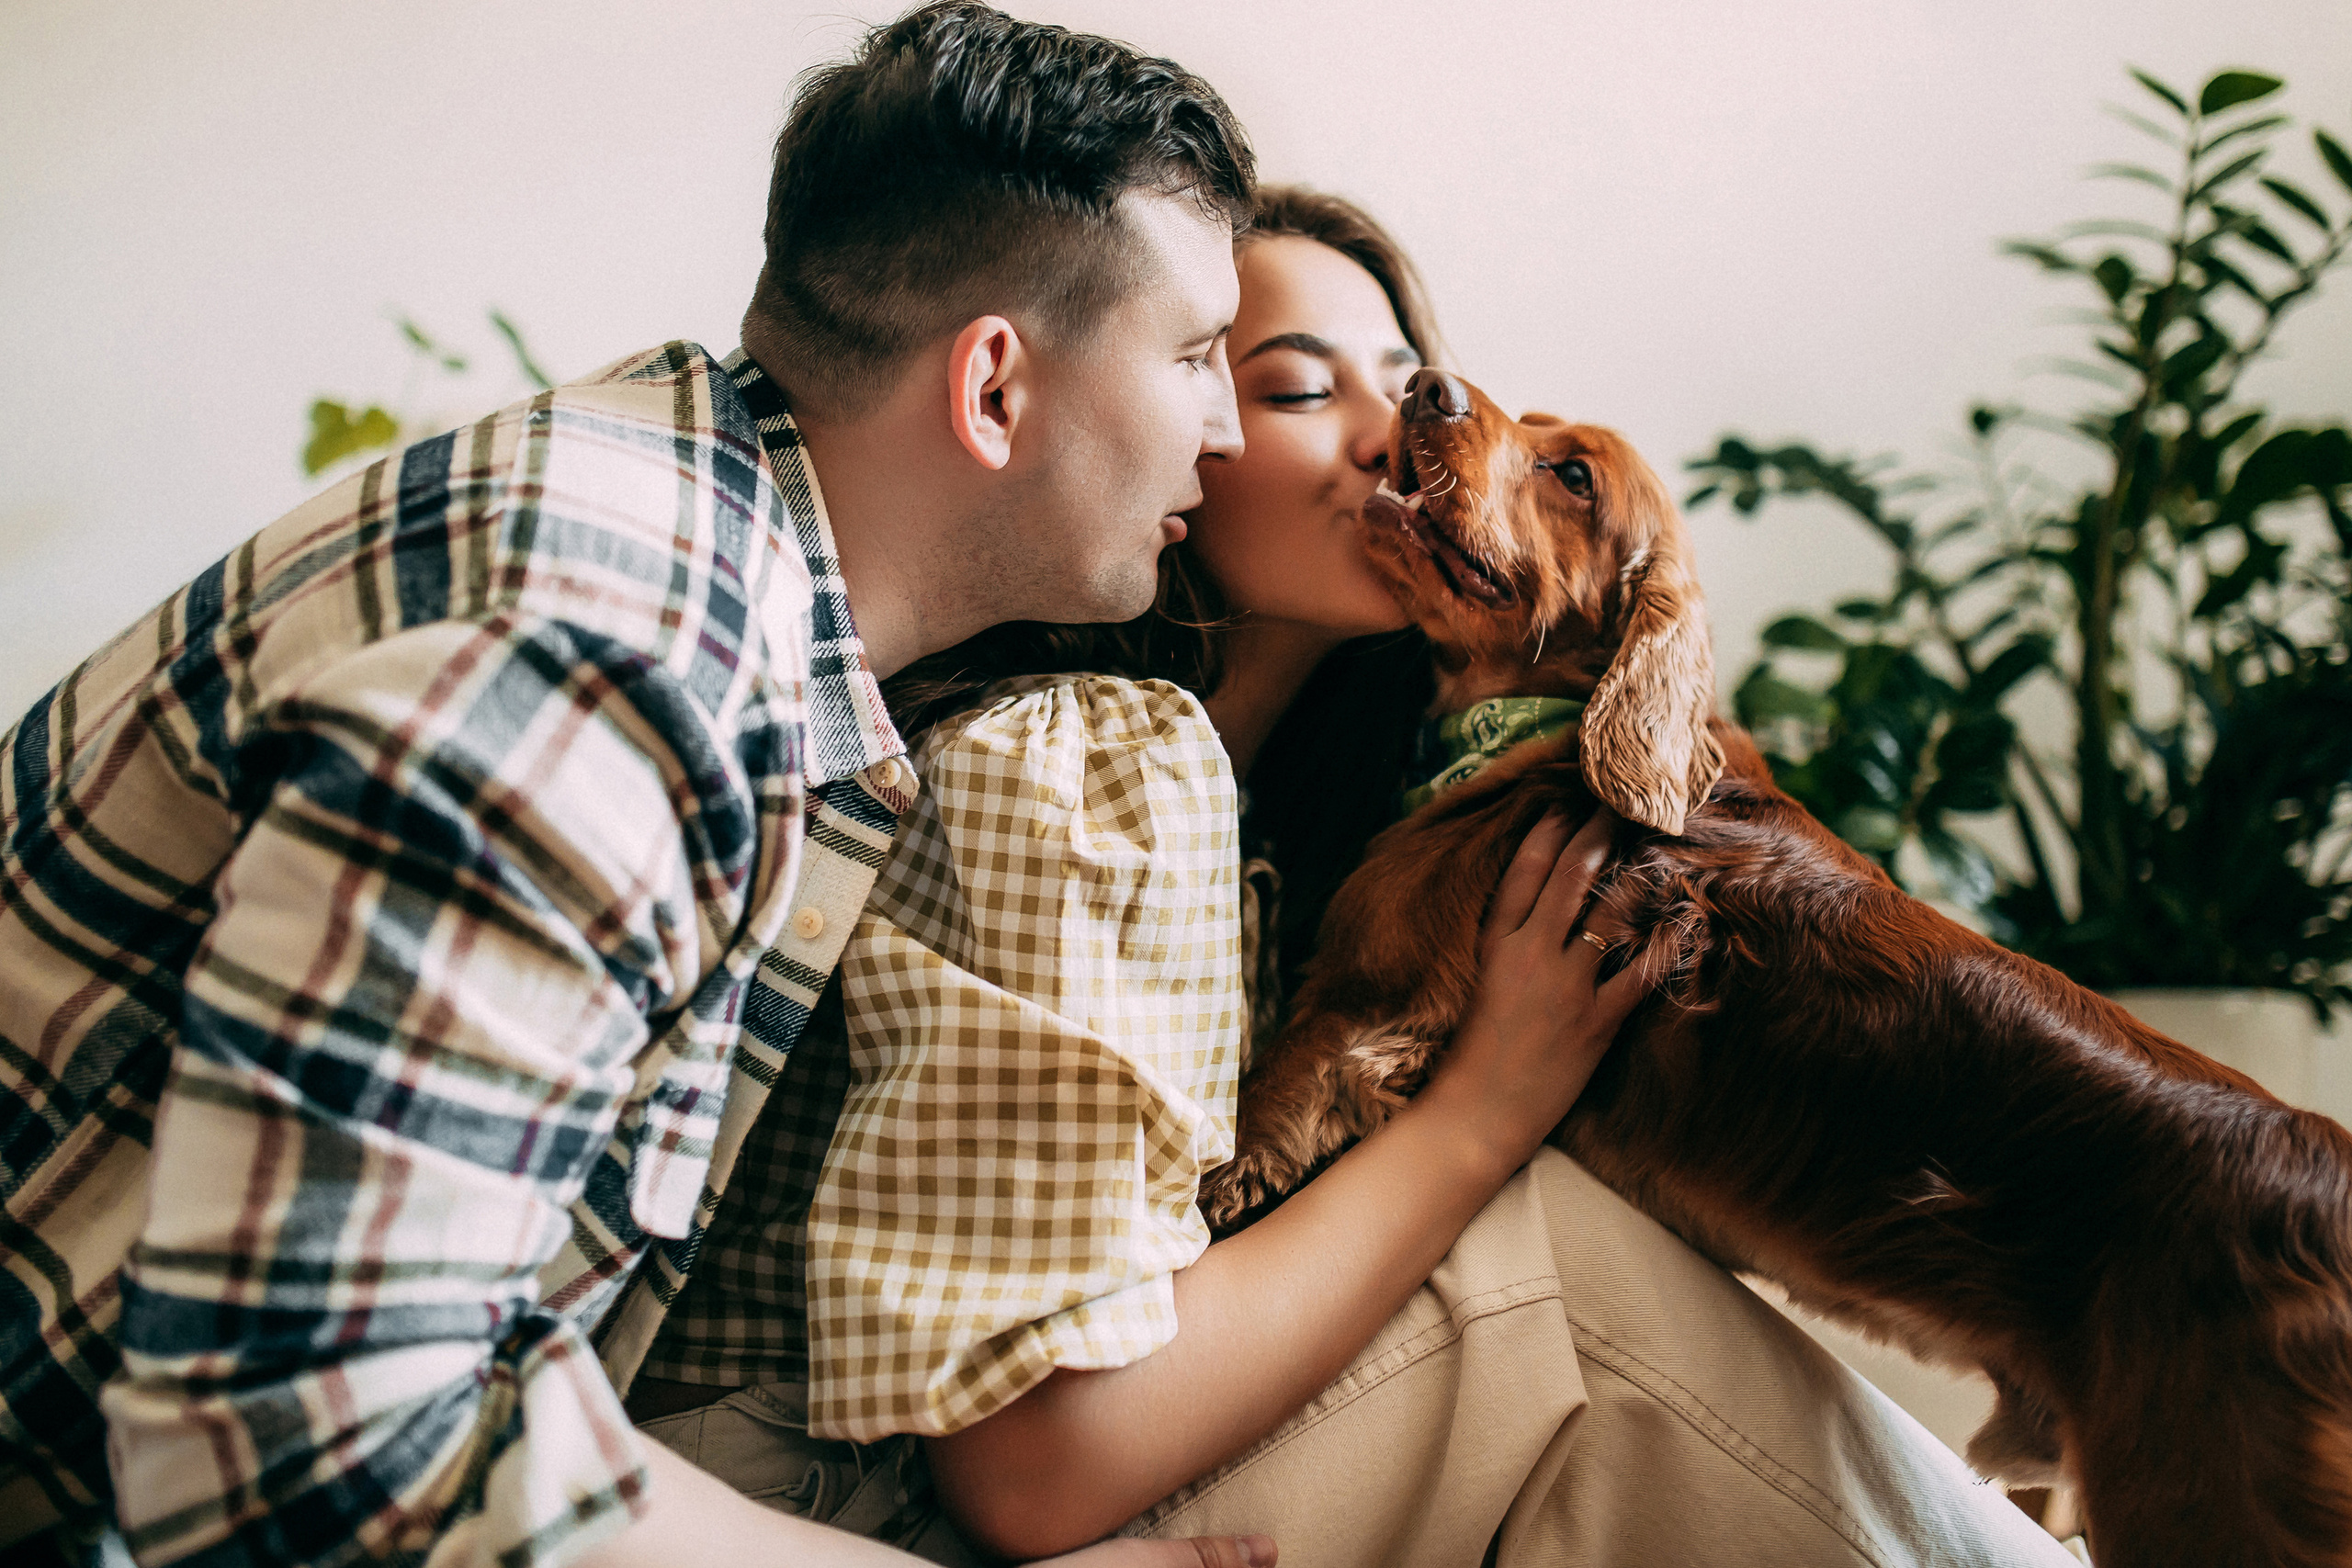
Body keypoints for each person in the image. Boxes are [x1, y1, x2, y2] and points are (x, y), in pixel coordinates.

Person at [0, 7, 1292, 1567]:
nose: (1222, 431)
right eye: (1198, 355)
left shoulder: (704, 536)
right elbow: (317, 1453)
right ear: (996, 390)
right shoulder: (623, 647)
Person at [624, 188, 2079, 1567]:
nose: (1403, 439)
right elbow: (1032, 1465)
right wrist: (1477, 1116)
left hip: (940, 1479)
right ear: (1172, 431)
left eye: (1411, 384)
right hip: (813, 1507)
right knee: (1546, 1268)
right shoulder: (1076, 770)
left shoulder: (1318, 836)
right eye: (1297, 388)